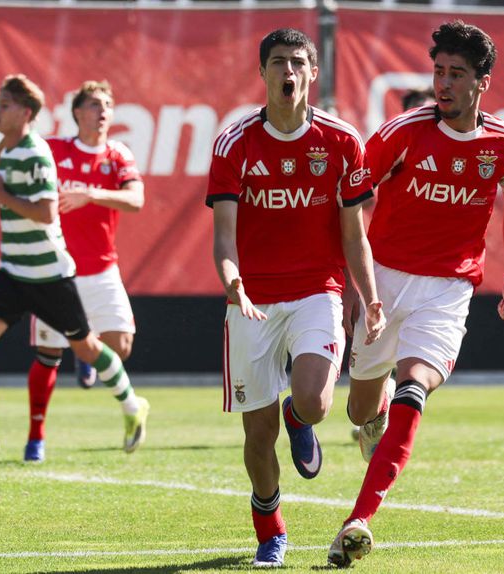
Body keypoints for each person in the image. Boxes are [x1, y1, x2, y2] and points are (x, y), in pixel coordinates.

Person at [328, 21, 504, 568]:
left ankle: (358, 520)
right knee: (360, 406)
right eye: (438, 72)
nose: (443, 84)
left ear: (481, 82)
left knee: (415, 387)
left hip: (449, 288)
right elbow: (350, 197)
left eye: (456, 74)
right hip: (384, 281)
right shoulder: (402, 132)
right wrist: (352, 281)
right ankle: (374, 418)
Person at [207, 29, 386, 568]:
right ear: (262, 73)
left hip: (318, 291)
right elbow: (223, 239)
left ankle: (299, 416)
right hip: (252, 302)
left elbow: (354, 234)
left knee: (313, 402)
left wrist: (369, 295)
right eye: (278, 62)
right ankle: (271, 531)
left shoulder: (341, 141)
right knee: (256, 436)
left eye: (298, 63)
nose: (289, 72)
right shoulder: (234, 144)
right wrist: (233, 282)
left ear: (312, 74)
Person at [0, 74, 150, 458]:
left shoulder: (40, 153)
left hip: (49, 273)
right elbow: (1, 193)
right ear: (76, 113)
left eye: (3, 105)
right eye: (94, 104)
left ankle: (130, 403)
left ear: (24, 112)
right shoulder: (16, 150)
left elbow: (44, 212)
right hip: (14, 269)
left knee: (91, 347)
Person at [23, 80, 145, 462]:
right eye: (94, 104)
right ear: (77, 113)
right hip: (58, 268)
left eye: (107, 104)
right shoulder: (55, 150)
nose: (103, 111)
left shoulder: (116, 154)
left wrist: (91, 194)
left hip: (103, 268)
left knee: (121, 345)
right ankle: (35, 438)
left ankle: (85, 353)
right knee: (47, 351)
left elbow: (136, 200)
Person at [350, 85, 436, 444]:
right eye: (417, 111)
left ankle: (398, 403)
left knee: (420, 363)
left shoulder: (455, 148)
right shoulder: (392, 147)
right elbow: (354, 205)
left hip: (434, 276)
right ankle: (375, 406)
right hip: (379, 269)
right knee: (359, 405)